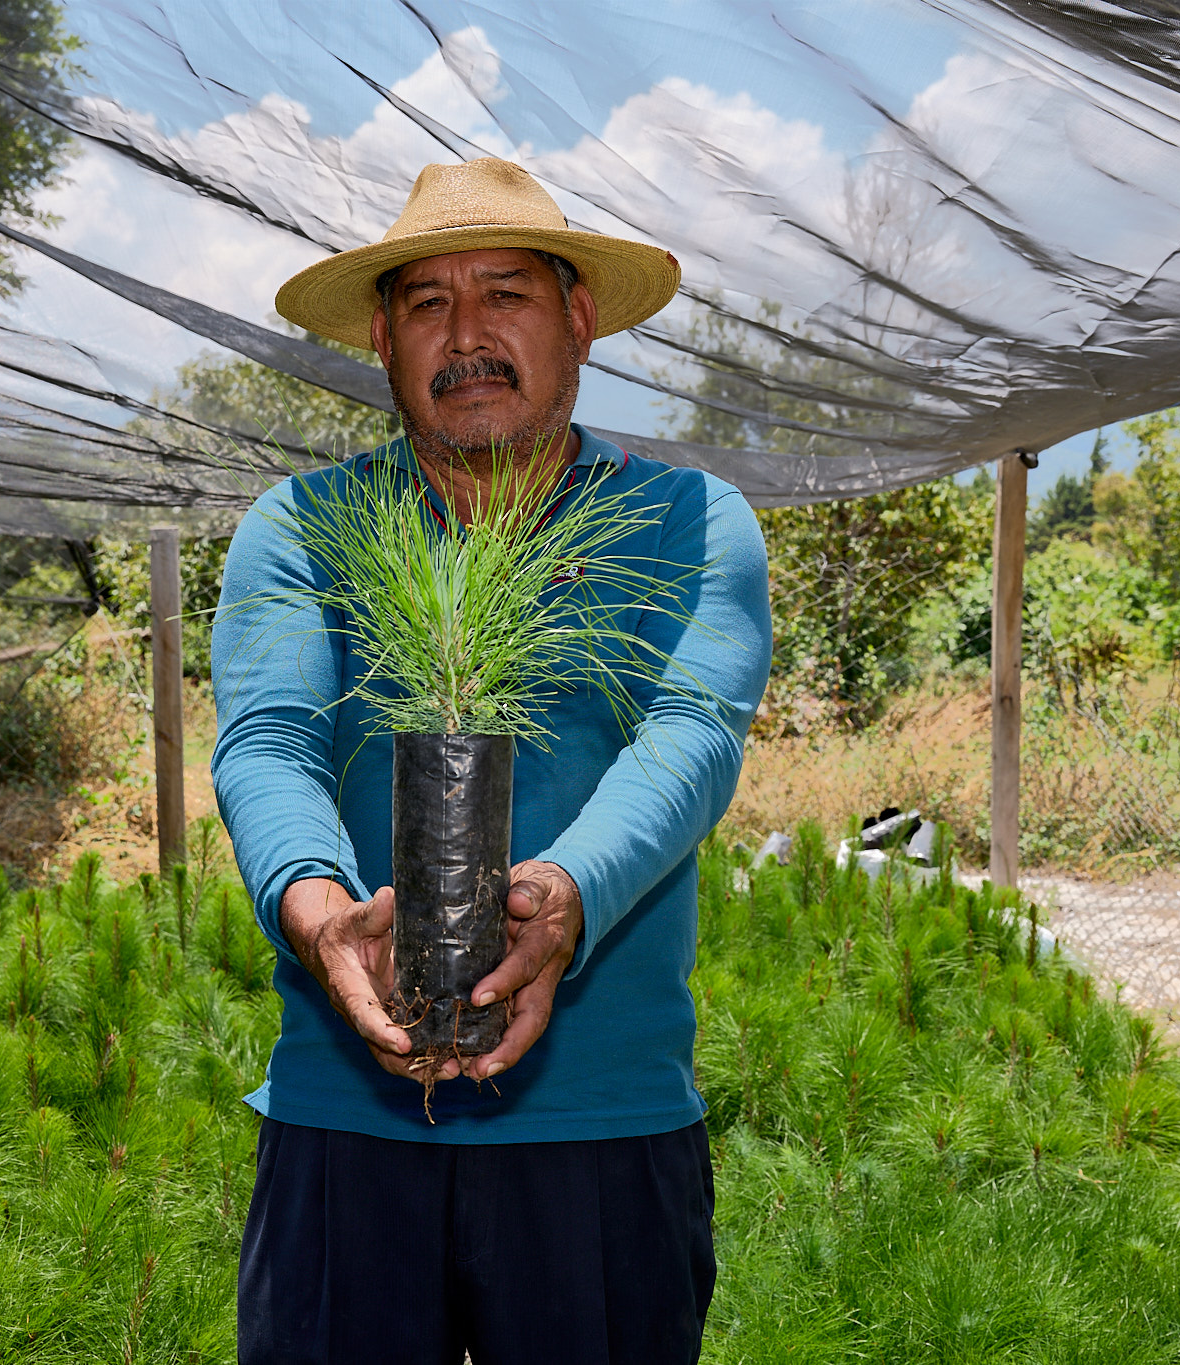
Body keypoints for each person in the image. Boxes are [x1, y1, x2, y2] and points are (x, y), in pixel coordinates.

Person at [211, 156, 773, 1365]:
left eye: (505, 295)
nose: (465, 336)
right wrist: (316, 913)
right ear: (381, 337)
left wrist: (562, 896)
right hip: (343, 1119)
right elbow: (268, 739)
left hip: (600, 1124)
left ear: (576, 319)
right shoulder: (302, 527)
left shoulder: (684, 520)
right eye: (426, 304)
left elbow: (690, 735)